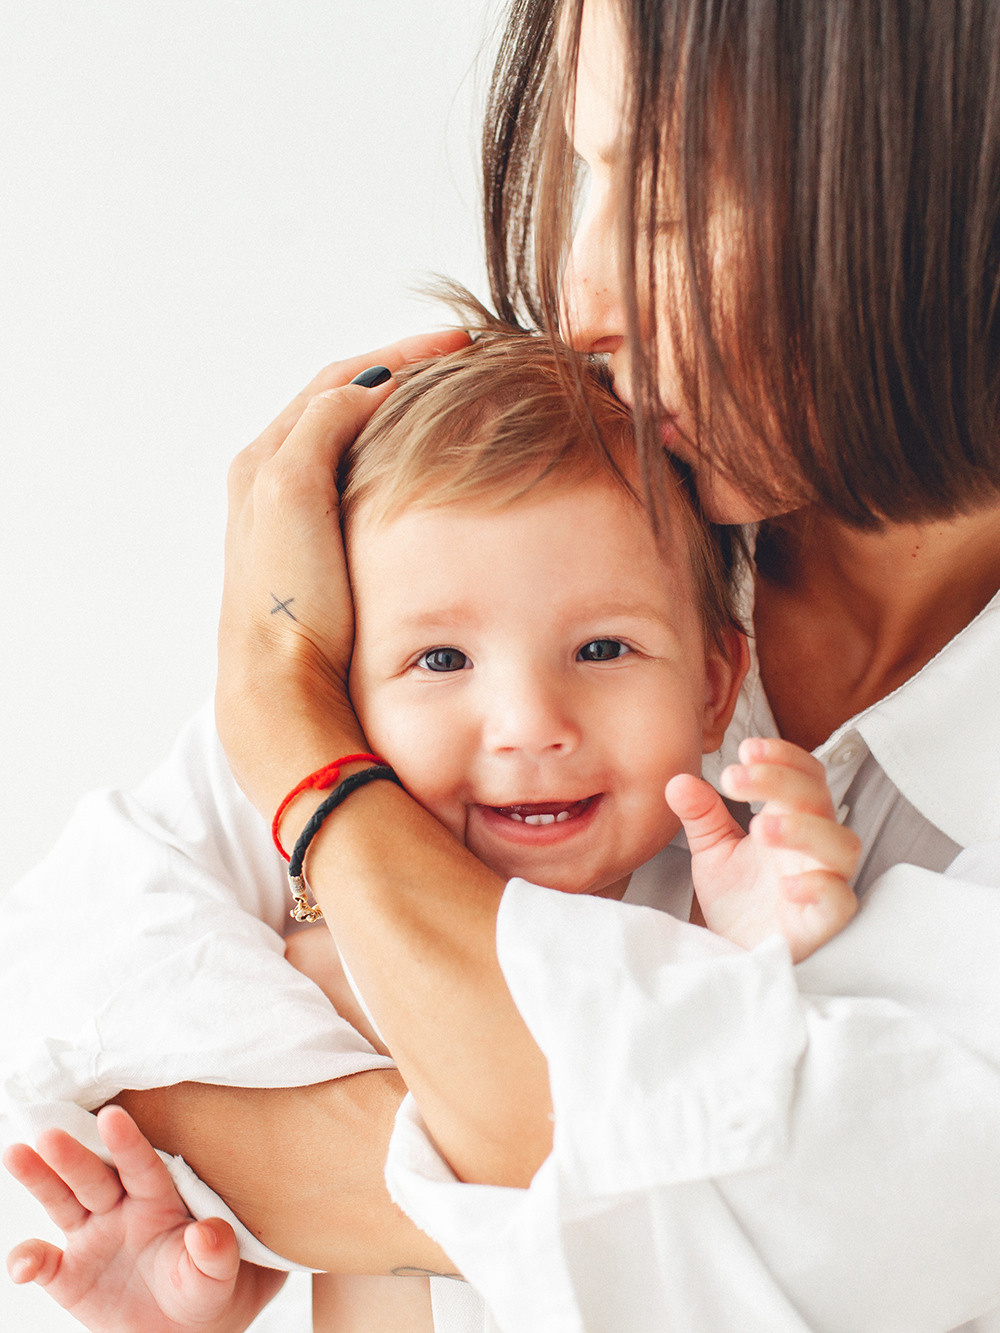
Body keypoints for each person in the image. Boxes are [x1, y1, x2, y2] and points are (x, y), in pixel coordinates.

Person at [7, 0, 1000, 1325]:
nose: (583, 295)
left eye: (663, 208)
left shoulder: (336, 682)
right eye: (588, 176)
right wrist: (578, 1163)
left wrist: (288, 724)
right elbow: (71, 1011)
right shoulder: (547, 536)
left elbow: (796, 1258)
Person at [4, 327, 861, 1333]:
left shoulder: (726, 875)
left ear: (716, 685)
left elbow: (730, 1171)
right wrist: (225, 1222)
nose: (531, 723)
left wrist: (750, 957)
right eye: (442, 661)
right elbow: (57, 971)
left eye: (600, 646)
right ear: (340, 700)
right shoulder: (285, 821)